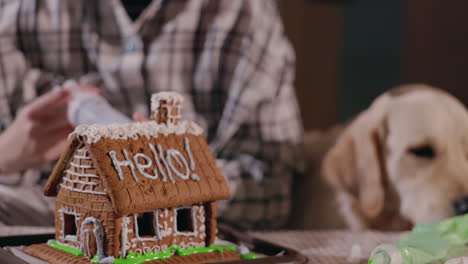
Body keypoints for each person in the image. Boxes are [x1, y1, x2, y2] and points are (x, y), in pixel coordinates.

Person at [0, 0, 303, 230]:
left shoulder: (243, 13)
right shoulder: (15, 13)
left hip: (186, 226)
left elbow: (270, 190)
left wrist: (172, 179)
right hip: (41, 217)